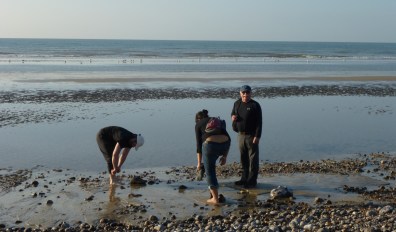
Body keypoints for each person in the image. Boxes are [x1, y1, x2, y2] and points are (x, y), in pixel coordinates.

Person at [195, 109, 231, 204]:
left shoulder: (198, 124)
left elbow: (199, 146)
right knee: (211, 167)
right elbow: (228, 137)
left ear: (198, 119)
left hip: (210, 145)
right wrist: (224, 157)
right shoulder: (218, 121)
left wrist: (199, 164)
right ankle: (213, 193)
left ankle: (215, 198)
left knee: (210, 171)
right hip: (225, 143)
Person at [231, 85, 262, 188]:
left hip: (251, 136)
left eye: (247, 93)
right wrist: (233, 117)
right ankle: (244, 179)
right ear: (240, 93)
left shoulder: (255, 105)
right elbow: (232, 113)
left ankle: (252, 181)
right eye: (243, 93)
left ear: (250, 93)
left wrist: (257, 136)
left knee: (253, 159)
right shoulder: (237, 103)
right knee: (243, 158)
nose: (245, 95)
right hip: (240, 135)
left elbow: (259, 122)